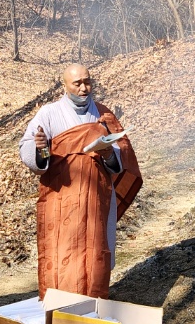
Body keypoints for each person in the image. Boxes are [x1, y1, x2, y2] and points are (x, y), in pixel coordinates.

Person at [20, 63, 141, 297]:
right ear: (64, 85)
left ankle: (93, 301)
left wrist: (108, 153)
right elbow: (35, 154)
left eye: (87, 82)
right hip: (61, 196)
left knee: (94, 250)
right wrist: (41, 149)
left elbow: (118, 159)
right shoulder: (49, 113)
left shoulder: (103, 114)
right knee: (62, 251)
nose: (84, 88)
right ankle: (61, 303)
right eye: (77, 83)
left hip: (97, 197)